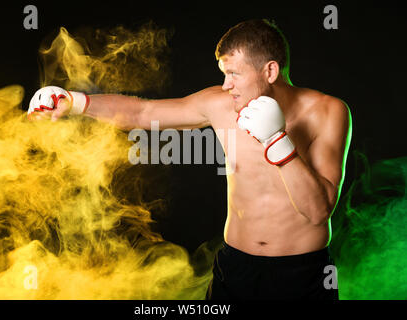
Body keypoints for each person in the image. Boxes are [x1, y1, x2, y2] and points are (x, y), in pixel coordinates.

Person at [28, 19, 351, 300]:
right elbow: (143, 112)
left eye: (235, 74)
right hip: (235, 269)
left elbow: (318, 211)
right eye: (224, 74)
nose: (227, 86)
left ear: (269, 70)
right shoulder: (221, 104)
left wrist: (277, 141)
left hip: (302, 274)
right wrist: (75, 102)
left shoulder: (327, 112)